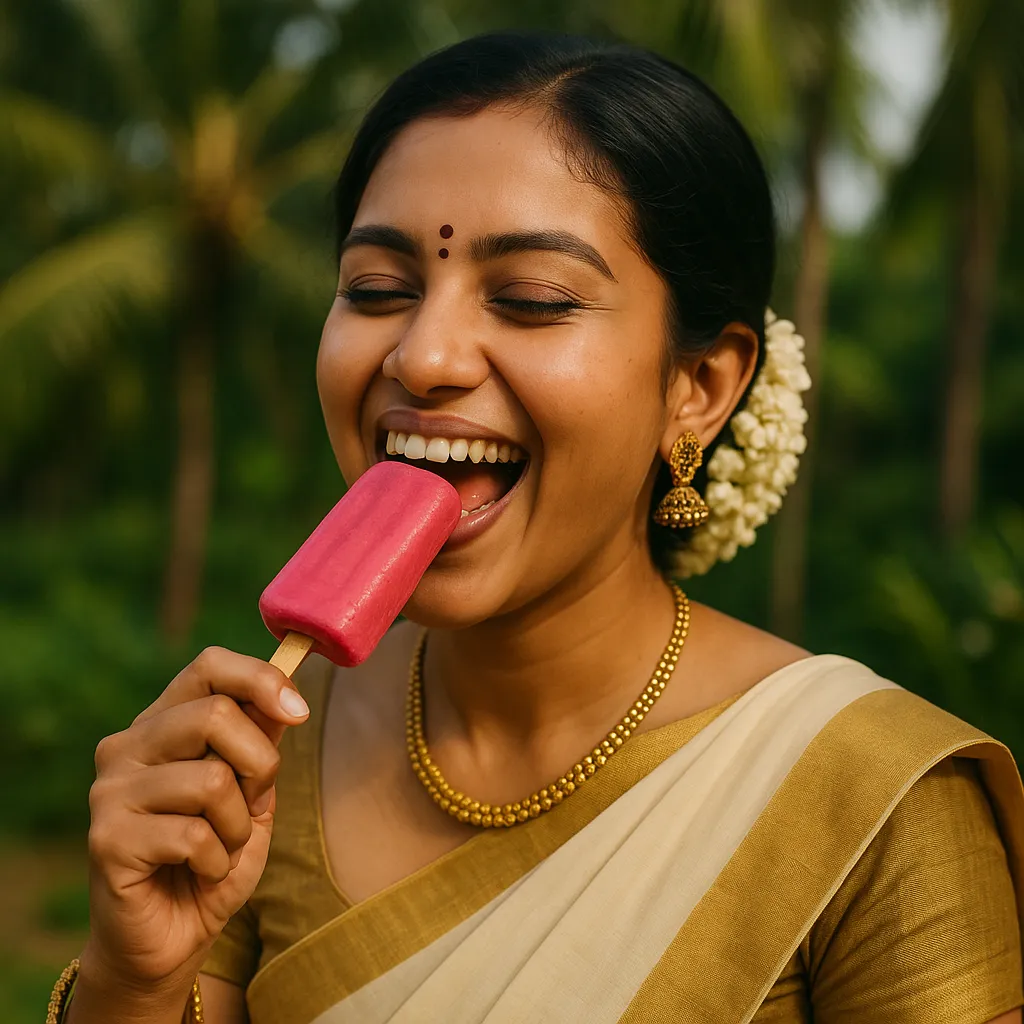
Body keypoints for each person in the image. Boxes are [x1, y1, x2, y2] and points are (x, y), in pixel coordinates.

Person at [59, 32, 1022, 1024]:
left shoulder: (870, 802)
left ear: (698, 386)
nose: (424, 356)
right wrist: (132, 979)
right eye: (377, 290)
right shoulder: (257, 761)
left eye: (531, 299)